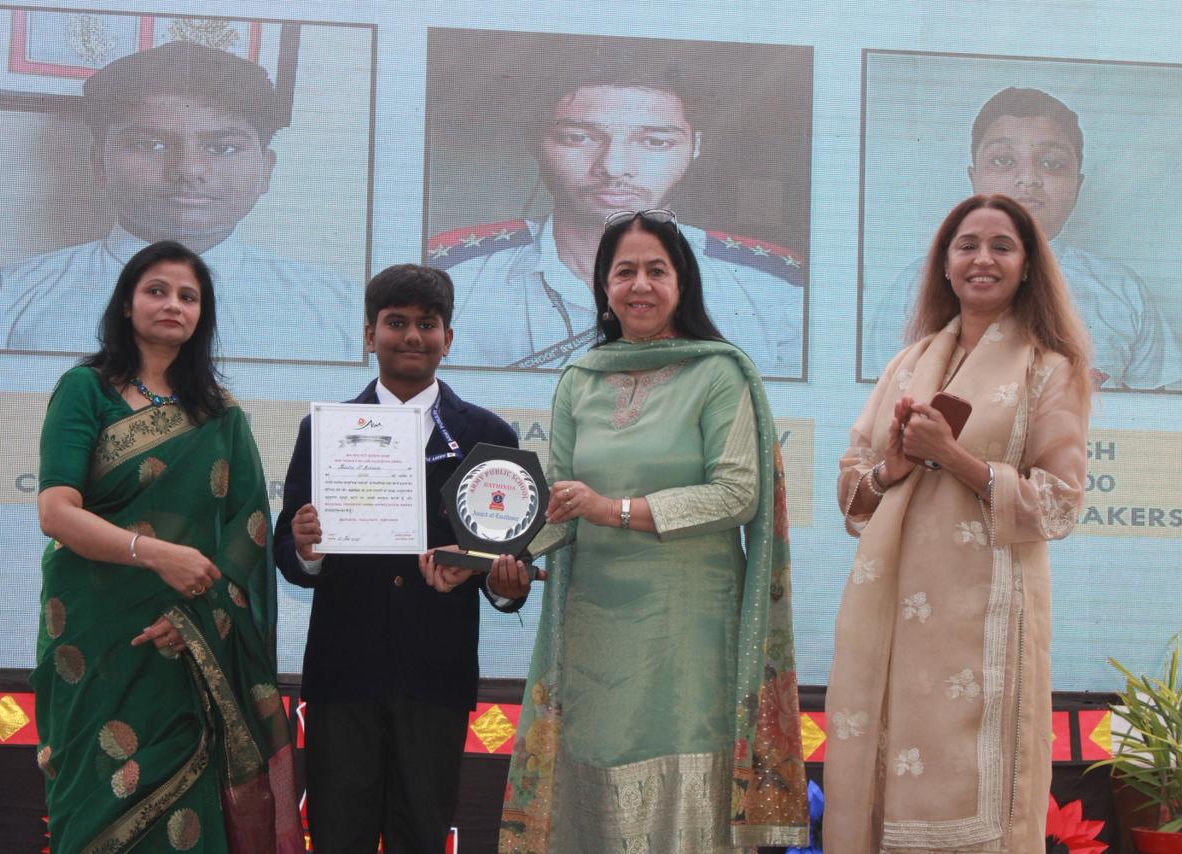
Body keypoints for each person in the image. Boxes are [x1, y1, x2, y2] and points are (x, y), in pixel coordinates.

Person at [479, 210, 808, 852]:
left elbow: (736, 495)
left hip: (689, 628)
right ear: (604, 286)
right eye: (624, 271)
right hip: (596, 627)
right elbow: (560, 506)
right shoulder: (581, 379)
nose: (640, 285)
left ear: (682, 283)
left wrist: (615, 510)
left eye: (657, 270)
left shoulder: (719, 372)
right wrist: (484, 556)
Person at [827, 194, 1093, 852]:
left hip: (986, 619)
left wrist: (954, 458)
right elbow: (853, 493)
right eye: (966, 245)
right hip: (894, 607)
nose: (982, 259)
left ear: (1027, 267)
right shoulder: (907, 364)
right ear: (945, 265)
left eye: (1002, 246)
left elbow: (1059, 504)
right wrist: (891, 468)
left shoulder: (1049, 369)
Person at [31, 240, 301, 852]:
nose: (173, 304)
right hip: (98, 638)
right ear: (127, 304)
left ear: (202, 315)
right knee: (93, 799)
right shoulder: (85, 390)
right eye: (156, 290)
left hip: (186, 641)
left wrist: (194, 618)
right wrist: (154, 554)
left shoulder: (221, 416)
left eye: (188, 296)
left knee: (190, 815)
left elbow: (248, 530)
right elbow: (56, 512)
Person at [273, 264, 531, 854]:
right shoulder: (324, 430)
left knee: (421, 834)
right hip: (344, 672)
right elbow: (288, 552)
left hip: (435, 674)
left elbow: (503, 558)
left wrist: (505, 583)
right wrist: (307, 550)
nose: (412, 336)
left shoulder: (488, 435)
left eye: (427, 323)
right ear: (370, 335)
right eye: (396, 323)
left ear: (448, 338)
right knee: (338, 836)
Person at [0, 39, 358, 362]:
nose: (188, 170)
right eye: (150, 144)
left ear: (266, 170)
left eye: (222, 147)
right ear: (99, 164)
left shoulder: (342, 311)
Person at [428, 70, 805, 376]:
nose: (613, 167)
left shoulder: (775, 288)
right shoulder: (454, 274)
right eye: (578, 138)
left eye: (654, 142)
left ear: (695, 147)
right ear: (536, 142)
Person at [862, 86, 1182, 388]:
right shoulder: (919, 285)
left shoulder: (1121, 291)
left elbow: (1161, 413)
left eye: (1051, 163)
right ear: (974, 178)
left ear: (1077, 183)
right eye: (1003, 161)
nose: (1028, 179)